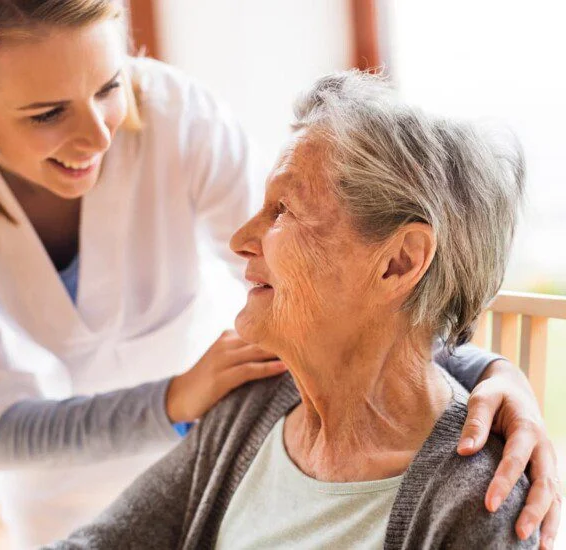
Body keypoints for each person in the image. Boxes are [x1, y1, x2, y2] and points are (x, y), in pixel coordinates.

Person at [0, 1, 559, 548]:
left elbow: (352, 289)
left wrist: (494, 373)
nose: (98, 135)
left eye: (109, 87)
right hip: (80, 482)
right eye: (46, 114)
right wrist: (174, 400)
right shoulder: (246, 420)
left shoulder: (178, 118)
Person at [45, 70, 547, 550]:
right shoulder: (254, 403)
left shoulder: (483, 502)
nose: (240, 240)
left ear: (398, 262)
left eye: (282, 210)